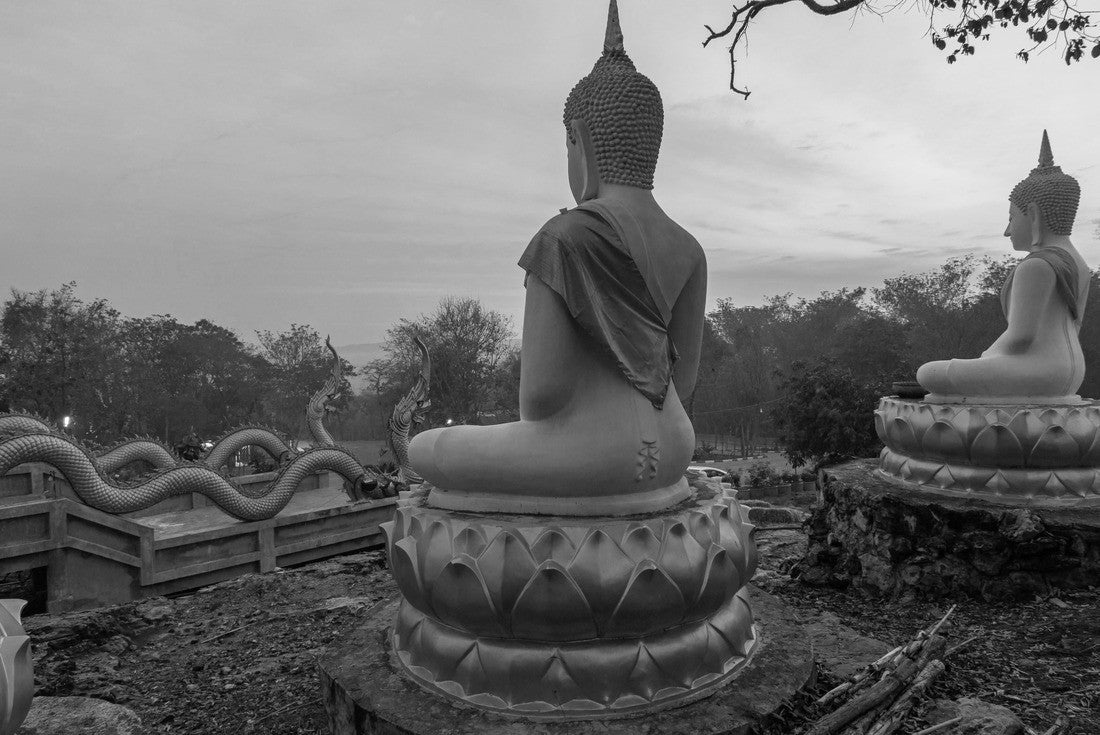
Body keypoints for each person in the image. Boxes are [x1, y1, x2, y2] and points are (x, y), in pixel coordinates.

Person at [409, 1, 707, 514]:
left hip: (585, 455)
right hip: (675, 446)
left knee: (428, 449)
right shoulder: (689, 249)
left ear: (581, 141)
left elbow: (540, 399)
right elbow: (683, 379)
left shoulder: (564, 237)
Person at [917, 131, 1090, 404]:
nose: (1008, 231)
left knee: (928, 373)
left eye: (1012, 217)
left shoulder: (1037, 266)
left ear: (1033, 215)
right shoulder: (1080, 264)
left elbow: (1020, 337)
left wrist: (985, 358)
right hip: (1071, 371)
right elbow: (1074, 327)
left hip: (1037, 373)